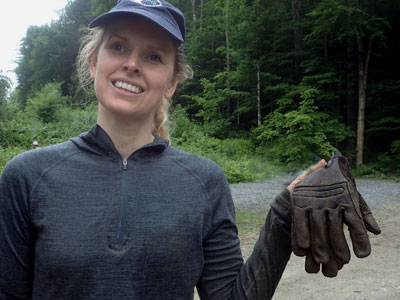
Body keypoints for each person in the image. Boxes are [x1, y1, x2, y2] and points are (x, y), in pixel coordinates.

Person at [0, 1, 378, 299]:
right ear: (94, 61)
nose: (132, 64)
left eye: (153, 56)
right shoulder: (27, 177)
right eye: (118, 47)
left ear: (171, 82)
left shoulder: (204, 181)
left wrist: (282, 216)